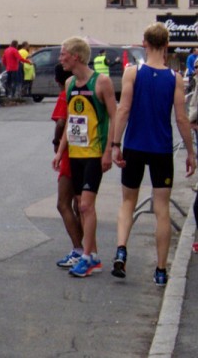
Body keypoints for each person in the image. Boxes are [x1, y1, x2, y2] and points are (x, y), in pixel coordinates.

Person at [110, 23, 196, 286]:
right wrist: (191, 152)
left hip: (135, 145)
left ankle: (122, 249)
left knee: (128, 202)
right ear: (166, 45)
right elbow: (181, 119)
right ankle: (160, 270)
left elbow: (123, 110)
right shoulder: (175, 78)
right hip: (161, 149)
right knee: (162, 209)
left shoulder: (132, 73)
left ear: (144, 43)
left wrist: (116, 143)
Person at [52, 36, 117, 278]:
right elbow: (71, 119)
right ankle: (93, 254)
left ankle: (89, 257)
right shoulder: (69, 83)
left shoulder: (101, 82)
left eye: (63, 54)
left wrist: (110, 149)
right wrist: (60, 151)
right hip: (76, 154)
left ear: (76, 56)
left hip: (94, 153)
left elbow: (115, 115)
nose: (60, 59)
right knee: (81, 206)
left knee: (87, 206)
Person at [52, 63, 83, 268]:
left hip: (70, 153)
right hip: (85, 150)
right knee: (80, 204)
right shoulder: (82, 91)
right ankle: (86, 248)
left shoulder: (65, 94)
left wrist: (56, 144)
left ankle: (78, 248)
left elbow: (62, 122)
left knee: (63, 203)